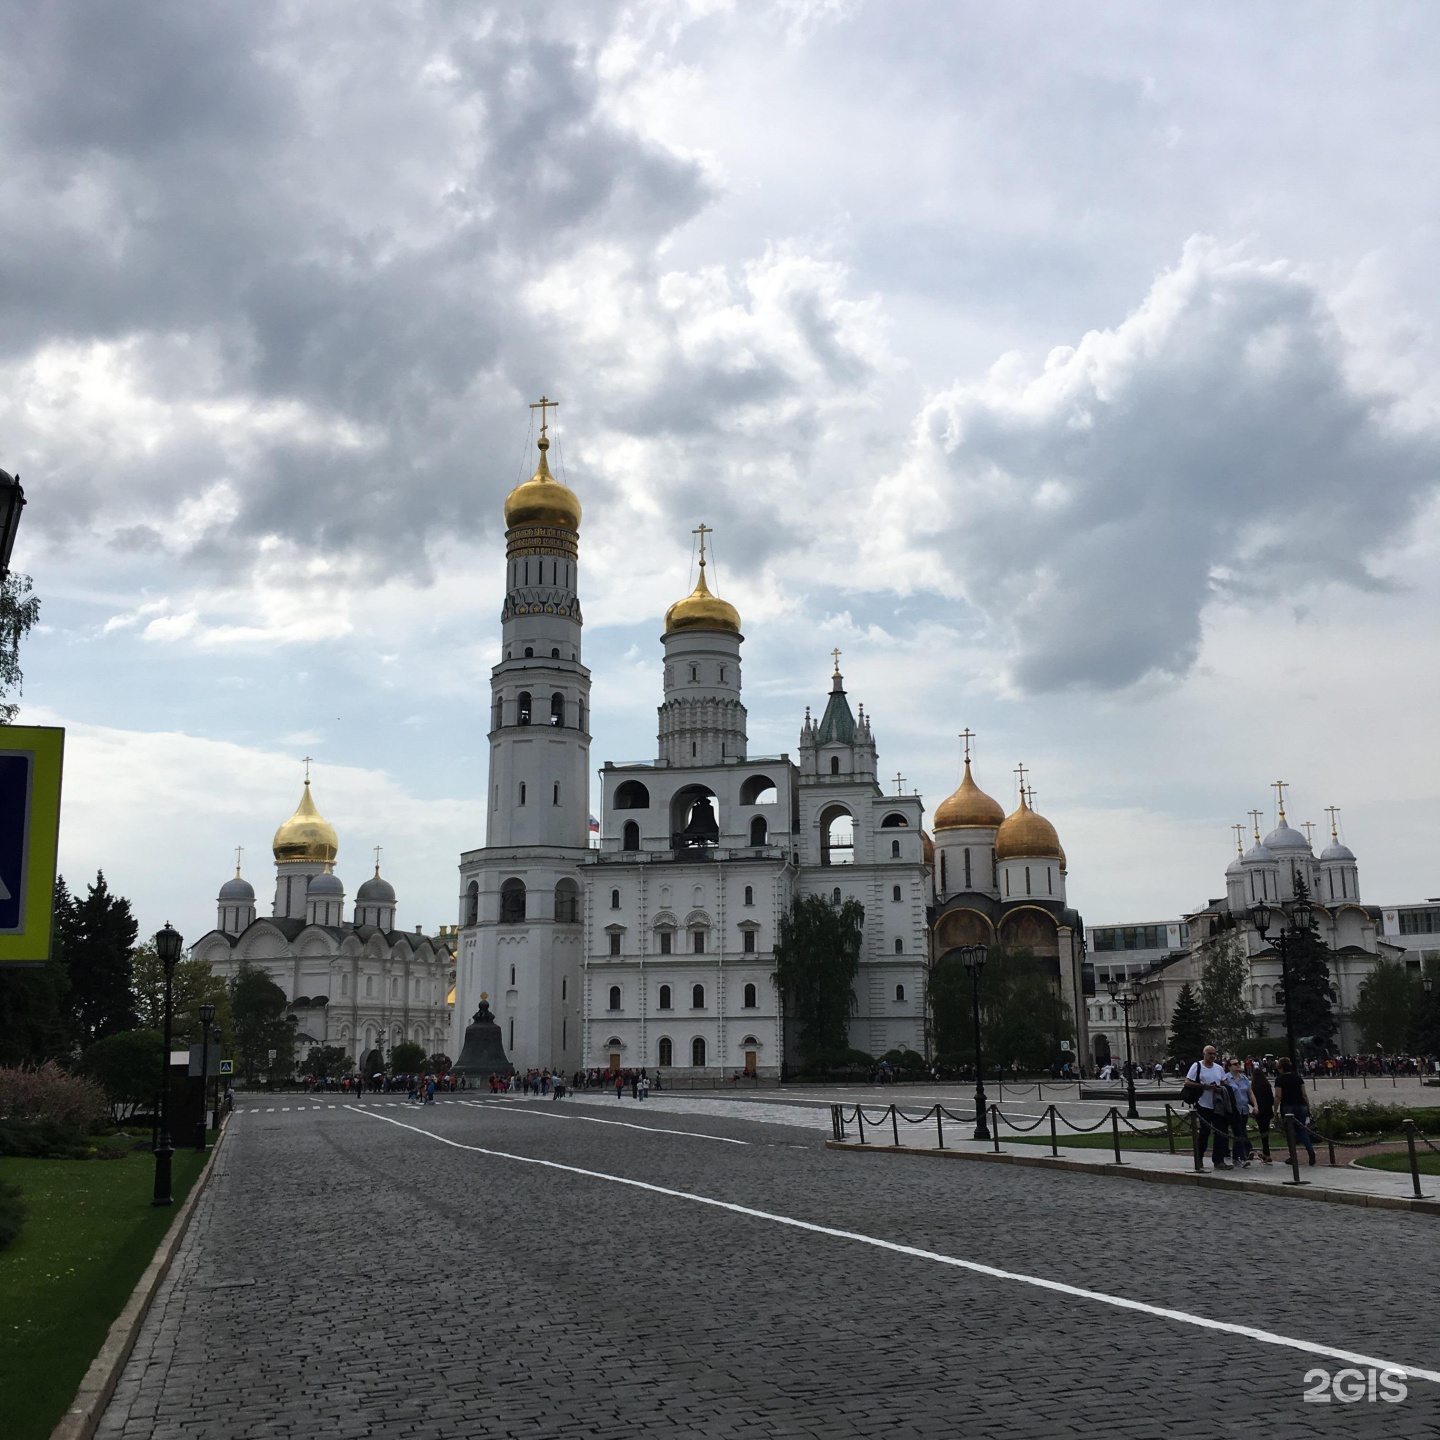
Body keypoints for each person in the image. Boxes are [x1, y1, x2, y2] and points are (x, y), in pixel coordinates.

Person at [1186, 1044, 1232, 1170]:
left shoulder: (1218, 1068)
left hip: (1217, 1104)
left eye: (1213, 1054)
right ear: (1204, 1054)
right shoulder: (1197, 1066)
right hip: (1203, 1103)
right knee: (1204, 1133)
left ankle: (1219, 1159)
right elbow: (1187, 1082)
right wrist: (1203, 1086)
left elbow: (1224, 1082)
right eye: (1209, 1054)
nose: (1212, 1056)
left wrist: (1220, 1088)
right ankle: (1199, 1158)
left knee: (1221, 1132)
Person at [1274, 1056, 1316, 1165]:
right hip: (1300, 1105)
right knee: (1302, 1130)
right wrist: (1307, 1106)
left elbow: (1278, 1096)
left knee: (1289, 1132)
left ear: (1281, 1068)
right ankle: (1310, 1151)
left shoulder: (1280, 1080)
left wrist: (1275, 1109)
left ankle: (1293, 1155)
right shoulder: (1298, 1078)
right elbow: (1304, 1094)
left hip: (1287, 1106)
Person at [1225, 1059, 1254, 1167]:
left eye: (1238, 1064)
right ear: (1229, 1067)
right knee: (1238, 1132)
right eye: (1235, 1064)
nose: (1238, 1065)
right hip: (1233, 1110)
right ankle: (1242, 1157)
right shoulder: (1226, 1079)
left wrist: (1255, 1105)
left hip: (1244, 1109)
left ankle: (1236, 1157)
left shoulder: (1244, 1078)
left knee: (1241, 1131)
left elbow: (1250, 1093)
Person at [1250, 1066, 1275, 1164]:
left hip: (1259, 1111)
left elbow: (1252, 1099)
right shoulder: (1267, 1085)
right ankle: (1266, 1152)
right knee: (1266, 1132)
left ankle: (1266, 1153)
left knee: (1262, 1132)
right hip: (1267, 1110)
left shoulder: (1254, 1087)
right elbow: (1271, 1099)